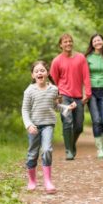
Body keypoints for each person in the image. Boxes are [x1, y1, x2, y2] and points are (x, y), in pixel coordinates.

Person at [22, 60, 76, 194]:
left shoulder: (53, 89)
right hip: (34, 126)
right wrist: (28, 125)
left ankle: (47, 181)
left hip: (48, 125)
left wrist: (67, 108)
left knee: (47, 150)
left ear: (47, 73)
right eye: (36, 71)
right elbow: (25, 110)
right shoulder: (29, 91)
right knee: (32, 154)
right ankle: (32, 181)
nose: (39, 73)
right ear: (32, 75)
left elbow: (55, 106)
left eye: (42, 70)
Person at [50, 33, 92, 160]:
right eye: (65, 42)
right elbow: (53, 81)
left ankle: (71, 144)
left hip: (78, 96)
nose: (68, 43)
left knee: (79, 126)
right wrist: (55, 97)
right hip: (64, 96)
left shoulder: (81, 58)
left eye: (70, 41)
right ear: (60, 45)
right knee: (67, 121)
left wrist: (88, 93)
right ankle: (68, 150)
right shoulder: (57, 61)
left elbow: (86, 76)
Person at [84, 33, 103, 159]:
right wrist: (85, 91)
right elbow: (84, 75)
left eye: (99, 40)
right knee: (96, 120)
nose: (97, 42)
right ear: (92, 43)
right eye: (94, 41)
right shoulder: (88, 57)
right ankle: (99, 148)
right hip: (91, 91)